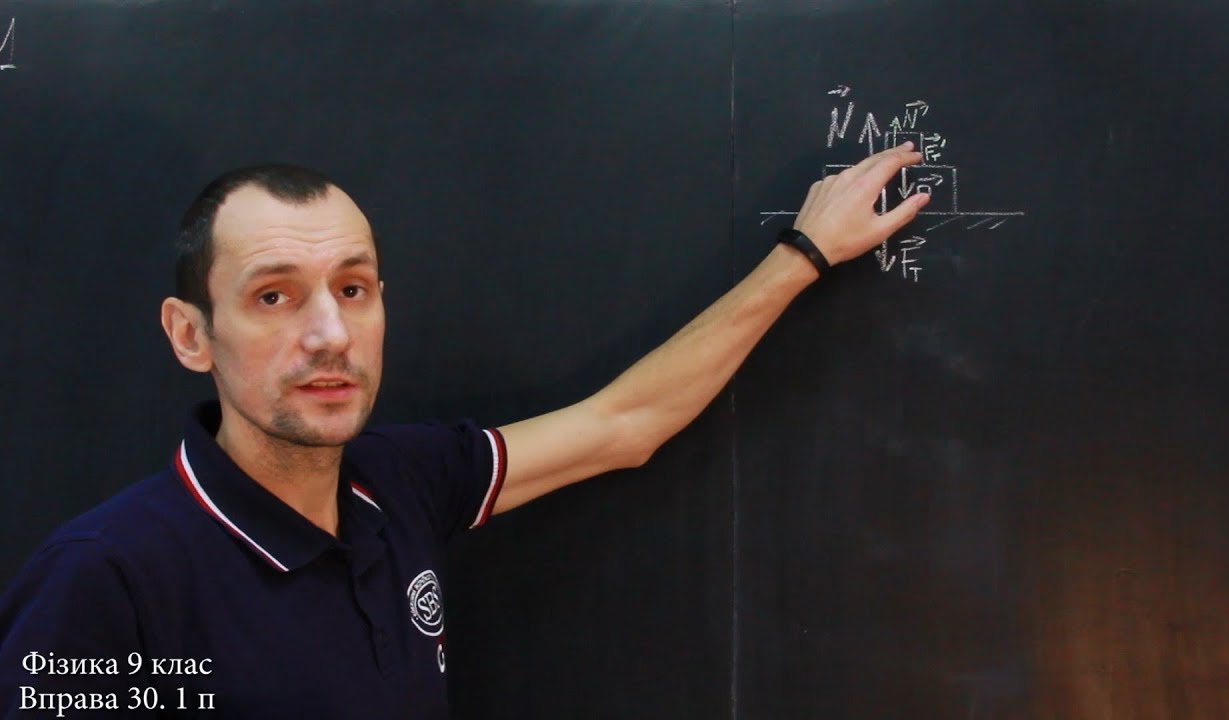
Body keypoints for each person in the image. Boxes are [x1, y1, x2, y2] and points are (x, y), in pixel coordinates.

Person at [0, 143, 929, 717]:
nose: (329, 334)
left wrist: (803, 255)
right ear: (191, 334)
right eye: (273, 296)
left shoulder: (399, 484)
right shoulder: (108, 578)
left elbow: (624, 423)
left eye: (353, 289)